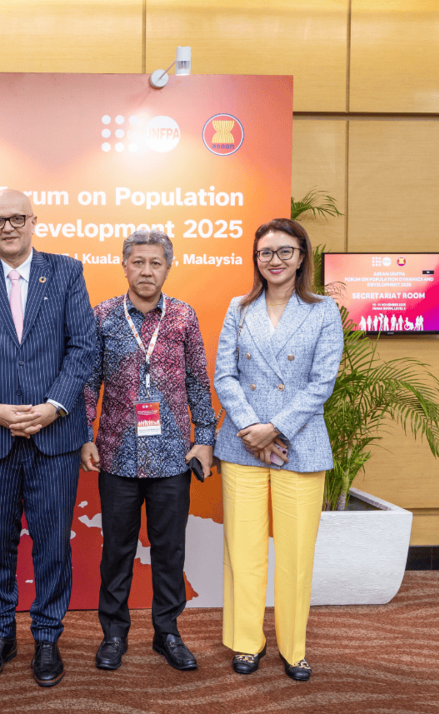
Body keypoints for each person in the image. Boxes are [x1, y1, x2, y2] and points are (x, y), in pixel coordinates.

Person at [0, 188, 96, 688]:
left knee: (53, 544)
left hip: (55, 437)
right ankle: (1, 633)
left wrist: (53, 407)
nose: (7, 227)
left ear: (33, 220)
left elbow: (82, 348)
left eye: (16, 218)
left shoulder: (68, 272)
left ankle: (48, 637)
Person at [213, 218, 343, 682]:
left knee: (294, 555)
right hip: (243, 444)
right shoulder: (239, 307)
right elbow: (224, 375)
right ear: (256, 259)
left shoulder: (324, 310)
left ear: (302, 256)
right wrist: (252, 428)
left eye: (285, 251)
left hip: (300, 445)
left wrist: (276, 430)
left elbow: (322, 382)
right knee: (243, 552)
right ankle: (247, 641)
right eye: (266, 253)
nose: (275, 260)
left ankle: (294, 648)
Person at [81, 230, 216, 672]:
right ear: (124, 266)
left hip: (174, 455)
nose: (146, 271)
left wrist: (205, 439)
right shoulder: (102, 316)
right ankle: (114, 634)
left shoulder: (182, 316)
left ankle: (167, 633)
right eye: (138, 262)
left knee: (169, 550)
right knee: (116, 550)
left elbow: (198, 380)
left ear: (167, 267)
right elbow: (89, 384)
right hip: (117, 454)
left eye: (155, 263)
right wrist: (85, 434)